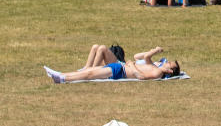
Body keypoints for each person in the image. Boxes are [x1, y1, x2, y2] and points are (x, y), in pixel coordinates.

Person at [44, 45, 180, 83]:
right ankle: (60, 75)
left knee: (89, 73)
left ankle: (61, 77)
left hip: (120, 71)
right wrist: (155, 50)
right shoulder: (155, 67)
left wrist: (131, 65)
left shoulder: (157, 72)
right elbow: (146, 57)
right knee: (88, 72)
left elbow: (141, 77)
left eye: (169, 64)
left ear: (169, 71)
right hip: (119, 67)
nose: (166, 62)